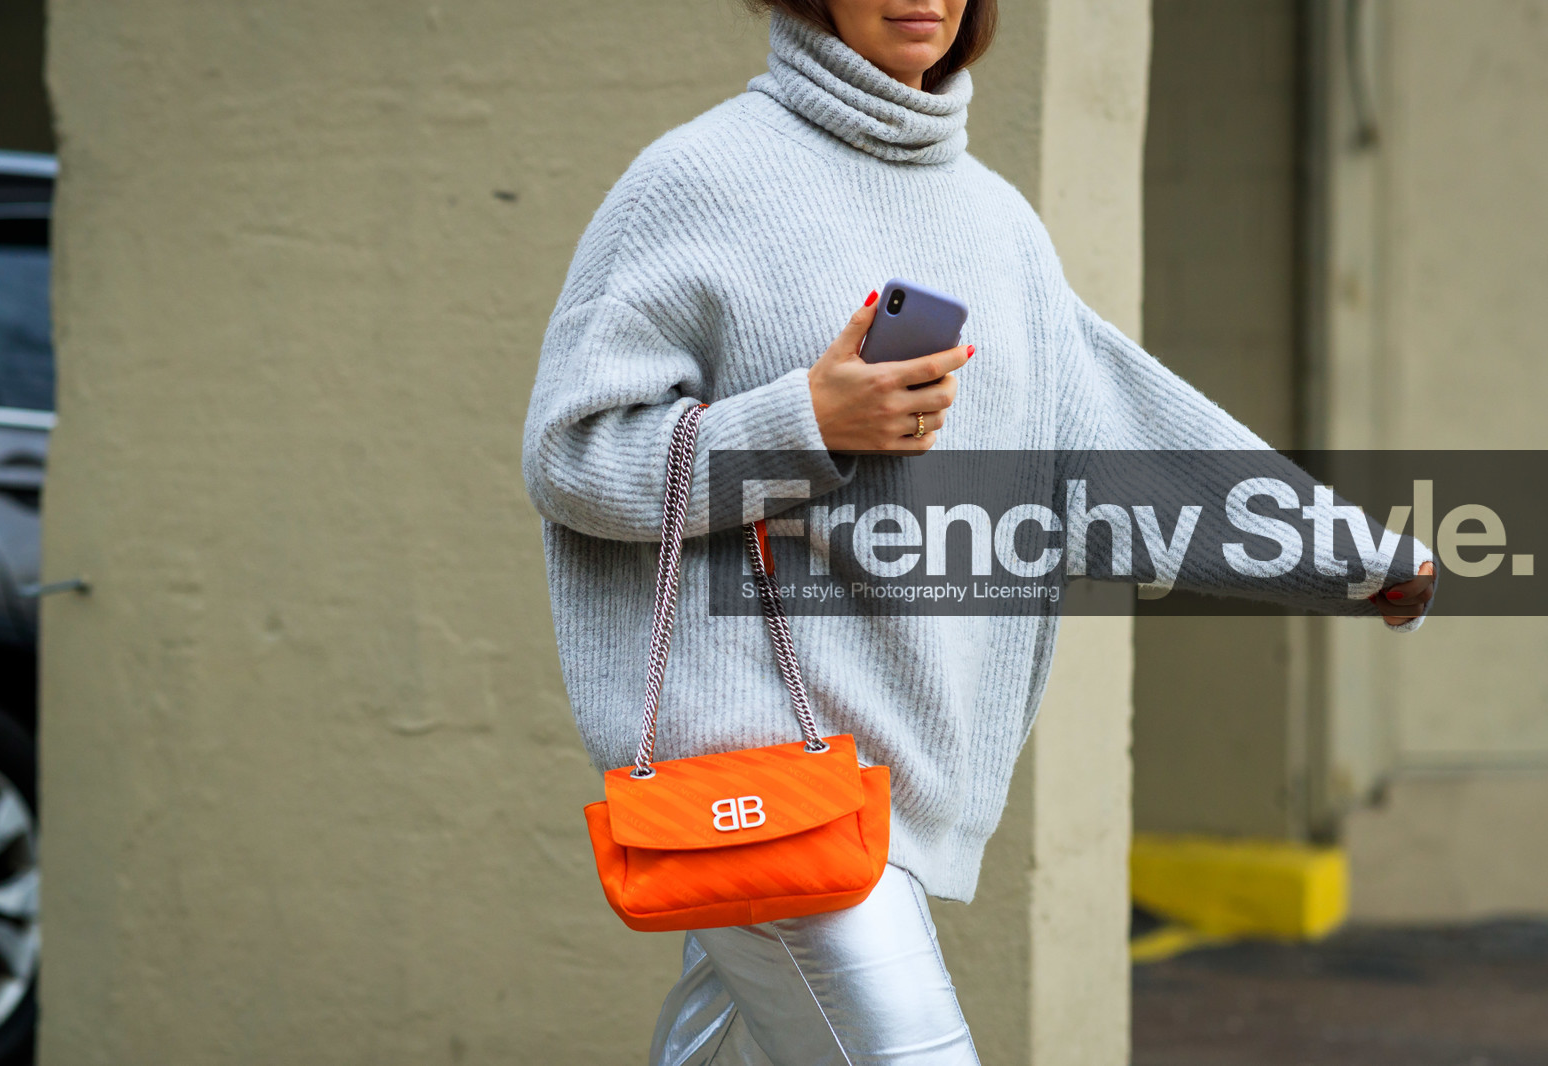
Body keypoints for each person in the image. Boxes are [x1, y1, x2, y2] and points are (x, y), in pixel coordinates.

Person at [521, 2, 1435, 1062]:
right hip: (761, 771)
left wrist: (1350, 561)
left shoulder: (996, 223)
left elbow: (1123, 445)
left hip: (887, 777)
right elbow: (572, 455)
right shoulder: (698, 179)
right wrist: (804, 424)